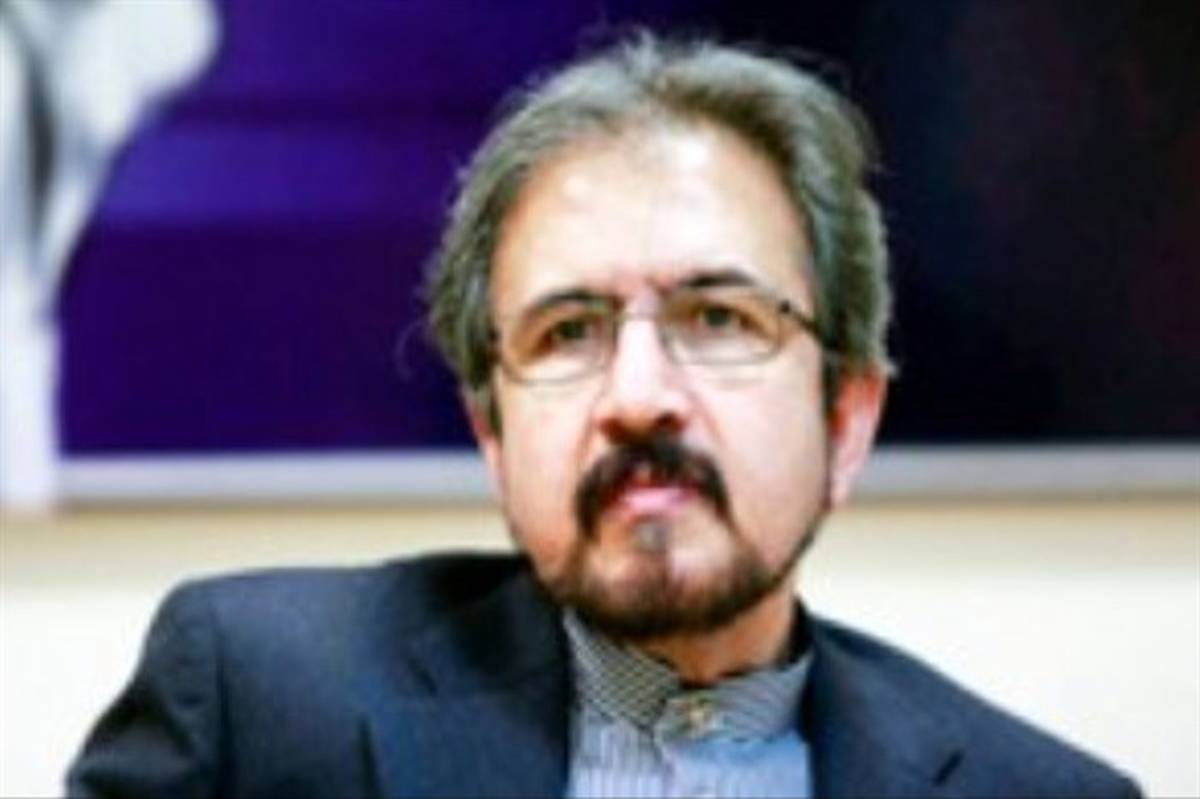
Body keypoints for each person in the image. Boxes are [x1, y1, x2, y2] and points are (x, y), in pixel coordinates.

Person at [67, 34, 1139, 798]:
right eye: (569, 331)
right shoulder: (256, 702)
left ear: (846, 421)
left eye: (718, 317)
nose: (636, 396)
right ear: (492, 436)